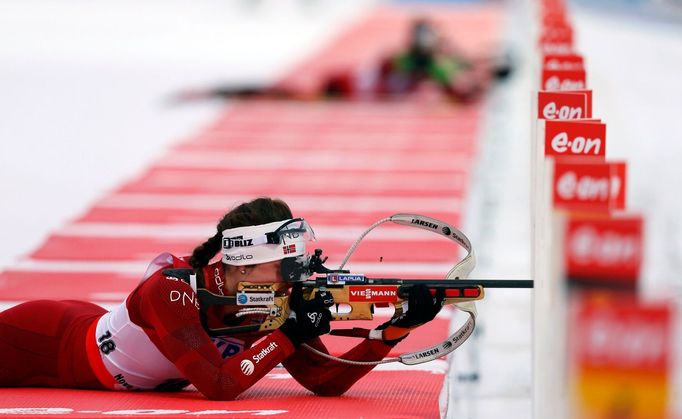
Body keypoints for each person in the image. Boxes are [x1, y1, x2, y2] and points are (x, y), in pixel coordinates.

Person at [0, 197, 444, 400]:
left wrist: (390, 334)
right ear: (245, 266)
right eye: (285, 269)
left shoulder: (271, 298)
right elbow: (220, 386)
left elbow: (323, 382)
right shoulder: (172, 291)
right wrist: (289, 332)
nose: (295, 280)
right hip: (43, 343)